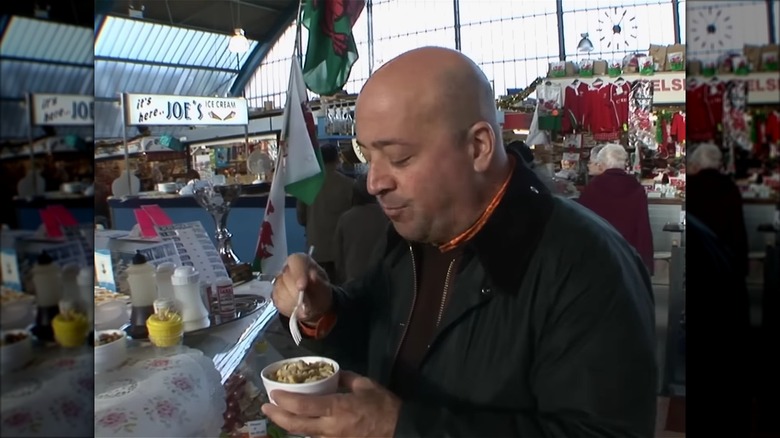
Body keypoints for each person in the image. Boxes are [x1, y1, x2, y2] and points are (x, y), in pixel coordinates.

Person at [266, 47, 657, 438]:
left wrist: (399, 428)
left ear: (478, 147)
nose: (373, 182)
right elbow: (375, 331)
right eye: (367, 155)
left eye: (399, 157)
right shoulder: (414, 235)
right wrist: (322, 308)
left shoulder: (586, 264)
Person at [578, 143, 655, 275]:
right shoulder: (637, 188)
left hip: (599, 254)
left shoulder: (592, 188)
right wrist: (646, 262)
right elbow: (643, 227)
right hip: (629, 256)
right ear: (624, 163)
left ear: (602, 164)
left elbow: (583, 225)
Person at [686, 142, 749, 278]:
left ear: (696, 164)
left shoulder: (690, 187)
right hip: (725, 265)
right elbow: (738, 230)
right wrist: (742, 267)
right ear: (719, 165)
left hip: (698, 265)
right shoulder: (729, 187)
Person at [296, 144, 354, 280]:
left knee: (318, 291)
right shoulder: (349, 185)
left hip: (316, 249)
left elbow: (301, 218)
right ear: (337, 160)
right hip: (341, 251)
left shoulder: (307, 186)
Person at [334, 173, 390, 284]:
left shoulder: (346, 218)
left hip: (353, 279)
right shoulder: (387, 217)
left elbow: (338, 255)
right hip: (383, 278)